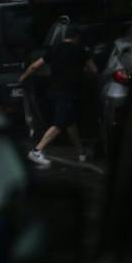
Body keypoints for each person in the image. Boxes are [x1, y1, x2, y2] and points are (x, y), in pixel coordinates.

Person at [18, 22, 96, 165]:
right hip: (70, 91)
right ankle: (36, 151)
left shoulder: (55, 49)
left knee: (70, 122)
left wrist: (24, 76)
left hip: (55, 90)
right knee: (60, 123)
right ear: (77, 37)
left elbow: (36, 65)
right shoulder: (80, 50)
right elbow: (93, 70)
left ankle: (81, 152)